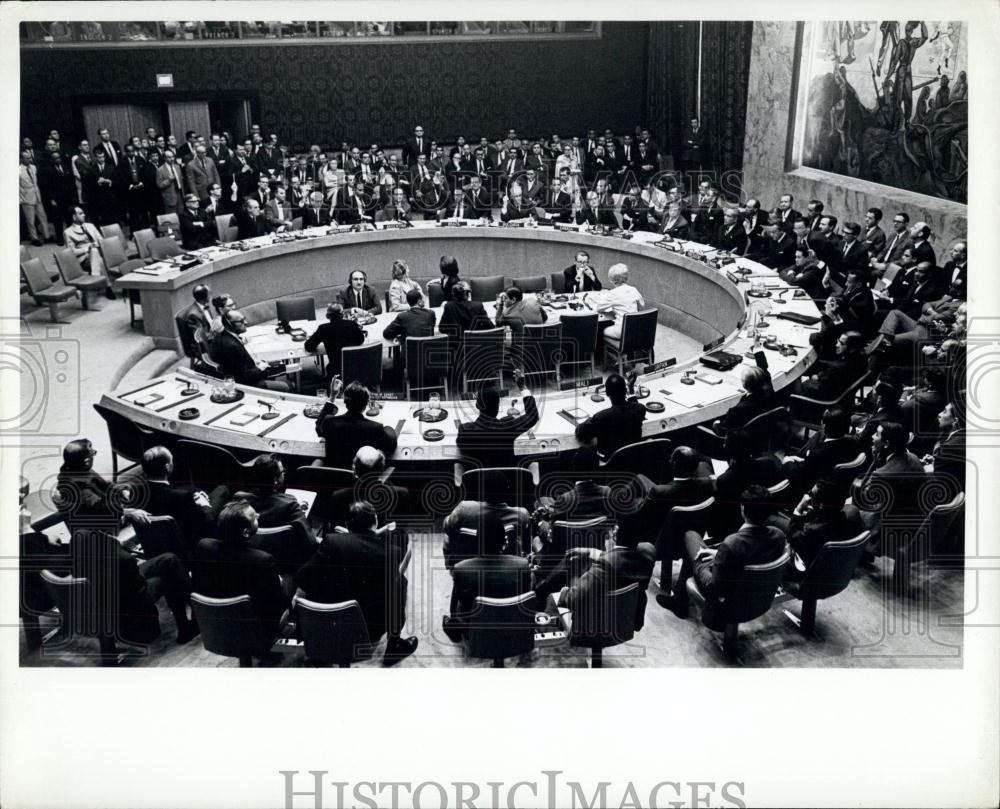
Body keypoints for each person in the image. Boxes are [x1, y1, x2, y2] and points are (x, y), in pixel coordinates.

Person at [296, 500, 418, 665]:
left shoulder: (331, 541)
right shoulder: (391, 553)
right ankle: (394, 643)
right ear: (375, 522)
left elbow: (304, 577)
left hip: (326, 621)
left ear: (347, 524)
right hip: (370, 631)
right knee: (400, 582)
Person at [658, 485, 786, 624]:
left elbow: (714, 587)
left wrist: (700, 563)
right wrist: (718, 555)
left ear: (743, 508)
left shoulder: (732, 543)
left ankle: (679, 602)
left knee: (691, 536)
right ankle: (680, 598)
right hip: (757, 596)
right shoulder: (778, 535)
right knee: (699, 548)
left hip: (725, 600)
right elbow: (752, 556)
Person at [193, 501, 288, 640]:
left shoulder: (203, 545)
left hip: (215, 624)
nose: (258, 515)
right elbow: (275, 604)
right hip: (256, 629)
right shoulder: (263, 560)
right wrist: (277, 581)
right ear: (245, 532)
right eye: (254, 517)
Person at [444, 514, 531, 642]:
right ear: (504, 541)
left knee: (458, 586)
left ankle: (453, 625)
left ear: (477, 542)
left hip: (475, 632)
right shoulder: (522, 565)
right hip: (511, 628)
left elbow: (463, 601)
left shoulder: (461, 568)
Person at [558, 520, 656, 634]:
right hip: (629, 622)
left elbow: (572, 600)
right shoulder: (649, 552)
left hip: (595, 627)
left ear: (615, 532)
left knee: (553, 598)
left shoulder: (604, 566)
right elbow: (622, 557)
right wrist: (591, 552)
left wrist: (563, 592)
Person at [227, 454, 315, 571]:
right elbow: (310, 543)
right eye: (282, 471)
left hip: (245, 561)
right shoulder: (290, 504)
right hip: (281, 565)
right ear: (275, 480)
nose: (284, 473)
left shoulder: (239, 499)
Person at [138, 445, 227, 558]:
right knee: (222, 490)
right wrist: (204, 505)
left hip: (156, 545)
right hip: (189, 546)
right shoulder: (182, 497)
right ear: (167, 467)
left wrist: (194, 493)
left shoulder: (138, 492)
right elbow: (203, 526)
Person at [443, 469, 532, 569]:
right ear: (507, 492)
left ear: (482, 491)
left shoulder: (464, 508)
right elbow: (527, 545)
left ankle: (453, 568)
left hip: (466, 566)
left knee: (448, 535)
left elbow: (447, 527)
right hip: (509, 566)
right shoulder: (522, 514)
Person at [711, 428, 784, 541]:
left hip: (737, 524)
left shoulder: (724, 480)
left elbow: (722, 514)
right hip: (763, 516)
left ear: (729, 449)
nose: (723, 444)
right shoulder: (768, 464)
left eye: (725, 442)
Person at [456, 370, 539, 470]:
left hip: (478, 483)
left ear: (477, 405)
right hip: (507, 481)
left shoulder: (464, 430)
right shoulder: (508, 427)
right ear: (498, 406)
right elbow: (533, 416)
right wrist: (522, 387)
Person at [781, 405, 864, 495]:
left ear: (823, 426)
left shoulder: (817, 454)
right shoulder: (853, 444)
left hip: (804, 488)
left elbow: (799, 477)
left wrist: (788, 462)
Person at [778, 479, 855, 572]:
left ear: (821, 505)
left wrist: (798, 509)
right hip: (830, 568)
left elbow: (791, 536)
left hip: (802, 568)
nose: (807, 497)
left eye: (811, 494)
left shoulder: (812, 530)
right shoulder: (847, 516)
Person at [316, 381, 398, 468]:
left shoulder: (330, 422)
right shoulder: (375, 428)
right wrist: (388, 427)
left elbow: (319, 424)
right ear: (366, 403)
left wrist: (332, 396)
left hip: (334, 477)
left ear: (345, 402)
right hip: (359, 478)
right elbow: (392, 442)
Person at [325, 446, 412, 528]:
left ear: (354, 469)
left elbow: (335, 529)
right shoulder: (402, 494)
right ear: (381, 467)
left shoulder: (338, 497)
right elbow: (400, 528)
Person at [210, 309, 290, 391]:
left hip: (240, 376)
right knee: (286, 385)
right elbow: (244, 377)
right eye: (241, 321)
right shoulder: (232, 346)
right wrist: (260, 369)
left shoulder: (221, 337)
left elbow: (238, 366)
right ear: (230, 325)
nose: (246, 322)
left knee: (278, 366)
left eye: (244, 319)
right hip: (248, 386)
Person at [575, 372, 647, 457]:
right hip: (633, 460)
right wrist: (631, 388)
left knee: (582, 452)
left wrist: (590, 419)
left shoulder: (601, 417)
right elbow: (634, 407)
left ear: (607, 393)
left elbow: (580, 432)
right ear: (625, 390)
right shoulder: (641, 409)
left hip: (610, 465)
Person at [796, 330, 867, 400]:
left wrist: (806, 380)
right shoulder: (860, 356)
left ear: (852, 348)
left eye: (841, 343)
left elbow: (819, 388)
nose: (837, 345)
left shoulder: (839, 368)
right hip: (835, 387)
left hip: (825, 397)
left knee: (792, 383)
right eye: (838, 341)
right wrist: (819, 375)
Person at [585, 263, 645, 341]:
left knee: (599, 328)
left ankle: (601, 352)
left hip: (621, 331)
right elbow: (642, 307)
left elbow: (599, 308)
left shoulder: (613, 293)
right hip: (636, 328)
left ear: (613, 280)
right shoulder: (633, 289)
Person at [303, 302, 364, 379]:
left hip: (336, 370)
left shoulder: (323, 328)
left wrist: (313, 337)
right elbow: (361, 340)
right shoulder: (352, 324)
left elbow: (309, 346)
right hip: (356, 366)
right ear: (342, 314)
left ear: (327, 316)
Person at [383, 287, 436, 369]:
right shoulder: (431, 314)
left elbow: (386, 333)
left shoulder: (402, 317)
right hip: (430, 357)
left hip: (410, 361)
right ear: (419, 301)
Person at [20, 149, 51, 245]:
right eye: (27, 158)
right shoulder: (18, 170)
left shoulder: (33, 167)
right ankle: (34, 238)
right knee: (31, 220)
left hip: (37, 195)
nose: (30, 160)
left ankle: (47, 236)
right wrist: (21, 198)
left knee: (43, 216)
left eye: (30, 157)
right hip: (27, 197)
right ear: (21, 159)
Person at [62, 206, 103, 272]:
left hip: (100, 251)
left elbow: (101, 240)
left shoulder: (90, 226)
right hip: (85, 257)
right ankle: (97, 278)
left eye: (83, 213)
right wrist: (87, 248)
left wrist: (97, 245)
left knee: (113, 250)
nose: (84, 215)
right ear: (74, 217)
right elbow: (71, 252)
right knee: (97, 256)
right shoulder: (68, 232)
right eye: (80, 213)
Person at [156, 149, 186, 216]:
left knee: (182, 216)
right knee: (172, 217)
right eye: (169, 157)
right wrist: (169, 180)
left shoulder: (177, 167)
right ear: (165, 158)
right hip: (170, 197)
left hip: (180, 194)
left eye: (173, 157)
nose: (172, 159)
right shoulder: (160, 170)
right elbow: (159, 185)